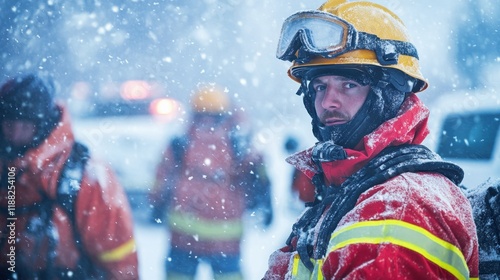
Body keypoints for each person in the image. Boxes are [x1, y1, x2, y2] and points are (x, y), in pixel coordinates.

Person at [264, 1, 479, 279]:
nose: (328, 102)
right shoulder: (354, 186)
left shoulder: (396, 208)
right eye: (319, 86)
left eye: (349, 84)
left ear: (389, 92)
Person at [0, 73, 139, 279]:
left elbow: (117, 254)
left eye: (26, 126)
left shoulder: (83, 174)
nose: (15, 135)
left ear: (44, 125)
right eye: (9, 124)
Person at [149, 84, 273, 280]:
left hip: (184, 237)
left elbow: (162, 178)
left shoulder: (180, 143)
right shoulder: (238, 143)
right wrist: (265, 203)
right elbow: (259, 177)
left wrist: (156, 203)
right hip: (225, 239)